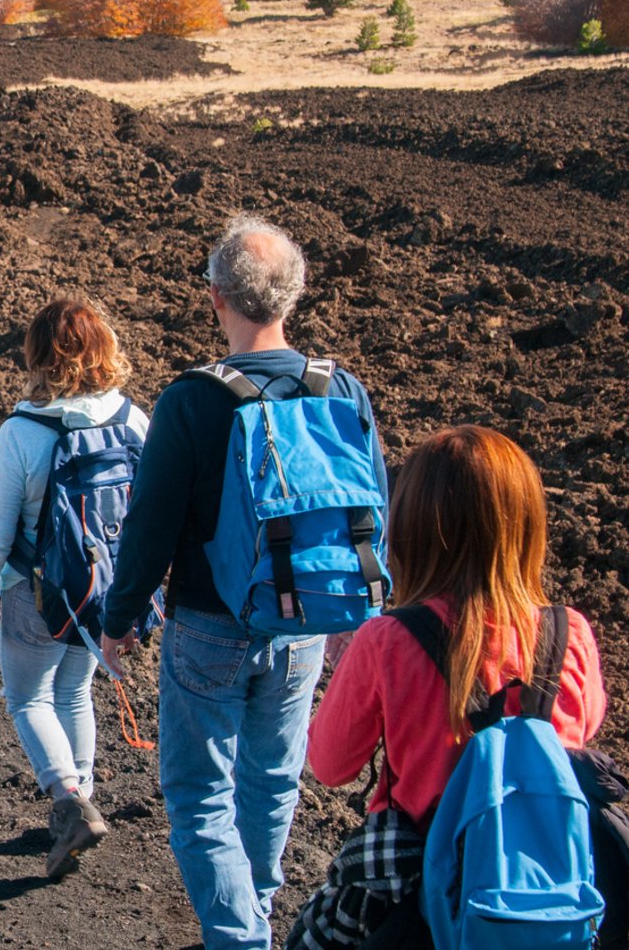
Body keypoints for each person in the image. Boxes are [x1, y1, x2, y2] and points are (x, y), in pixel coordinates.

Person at [98, 215, 388, 950]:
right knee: (272, 782)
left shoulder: (193, 400)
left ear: (216, 297)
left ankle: (239, 938)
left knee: (199, 797)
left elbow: (148, 528)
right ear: (291, 298)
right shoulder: (341, 389)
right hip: (304, 624)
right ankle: (250, 916)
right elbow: (371, 508)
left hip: (207, 625)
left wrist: (119, 617)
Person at [287, 425, 606, 948]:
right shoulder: (569, 634)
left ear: (413, 526)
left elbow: (331, 764)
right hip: (547, 895)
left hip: (422, 897)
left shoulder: (387, 640)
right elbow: (578, 732)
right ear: (526, 526)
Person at [0, 297, 148, 879]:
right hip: (102, 590)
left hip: (35, 593)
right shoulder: (135, 420)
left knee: (28, 698)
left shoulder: (22, 432)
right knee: (73, 693)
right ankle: (82, 800)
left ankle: (70, 802)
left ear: (39, 356)